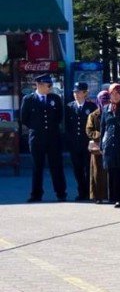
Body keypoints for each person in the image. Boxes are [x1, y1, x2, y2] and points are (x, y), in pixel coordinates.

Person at [21, 74, 66, 202]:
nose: (50, 87)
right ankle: (36, 194)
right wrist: (37, 128)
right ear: (40, 85)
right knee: (37, 167)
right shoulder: (29, 99)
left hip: (53, 138)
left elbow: (59, 116)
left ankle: (61, 193)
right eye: (48, 85)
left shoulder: (55, 98)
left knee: (56, 166)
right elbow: (24, 119)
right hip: (37, 138)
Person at [65, 82, 97, 201]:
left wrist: (93, 139)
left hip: (87, 143)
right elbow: (68, 126)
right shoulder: (69, 107)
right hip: (75, 144)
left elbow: (94, 125)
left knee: (88, 169)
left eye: (78, 92)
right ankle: (81, 191)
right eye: (75, 92)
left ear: (85, 93)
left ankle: (90, 192)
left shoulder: (91, 107)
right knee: (77, 169)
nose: (76, 94)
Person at [87, 91, 110, 203]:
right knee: (97, 173)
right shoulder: (93, 115)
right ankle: (97, 196)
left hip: (111, 146)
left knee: (109, 173)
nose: (104, 103)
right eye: (102, 100)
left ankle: (110, 195)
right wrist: (100, 135)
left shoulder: (112, 112)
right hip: (98, 148)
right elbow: (89, 130)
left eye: (106, 100)